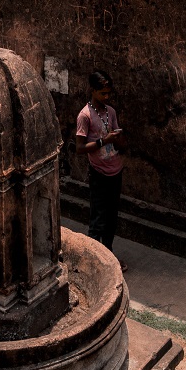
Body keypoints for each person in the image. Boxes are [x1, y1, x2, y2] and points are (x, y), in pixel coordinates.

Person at [75, 70, 125, 265]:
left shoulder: (110, 112)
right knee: (98, 218)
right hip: (99, 173)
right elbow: (80, 147)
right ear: (93, 91)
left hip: (115, 170)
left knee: (112, 218)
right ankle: (95, 262)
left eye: (108, 93)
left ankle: (109, 256)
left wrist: (119, 139)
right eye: (103, 93)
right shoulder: (85, 116)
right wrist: (103, 141)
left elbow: (119, 142)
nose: (106, 97)